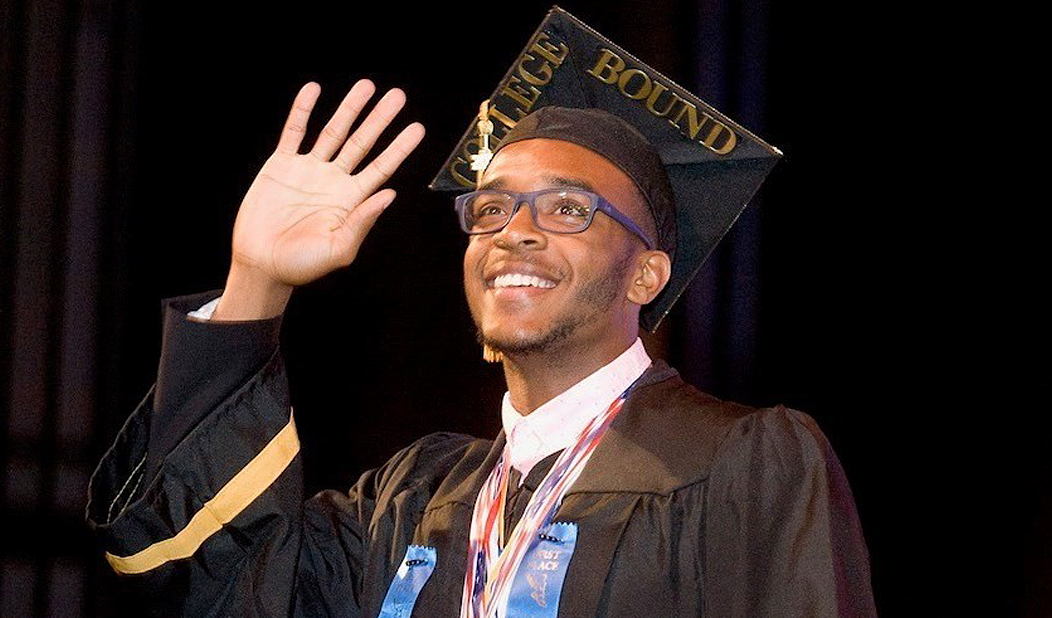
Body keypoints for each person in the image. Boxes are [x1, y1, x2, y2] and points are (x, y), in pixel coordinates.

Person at [87, 9, 876, 618]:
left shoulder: (743, 462)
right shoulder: (412, 497)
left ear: (646, 274)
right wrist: (255, 282)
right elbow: (198, 577)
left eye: (568, 209)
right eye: (491, 208)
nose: (516, 230)